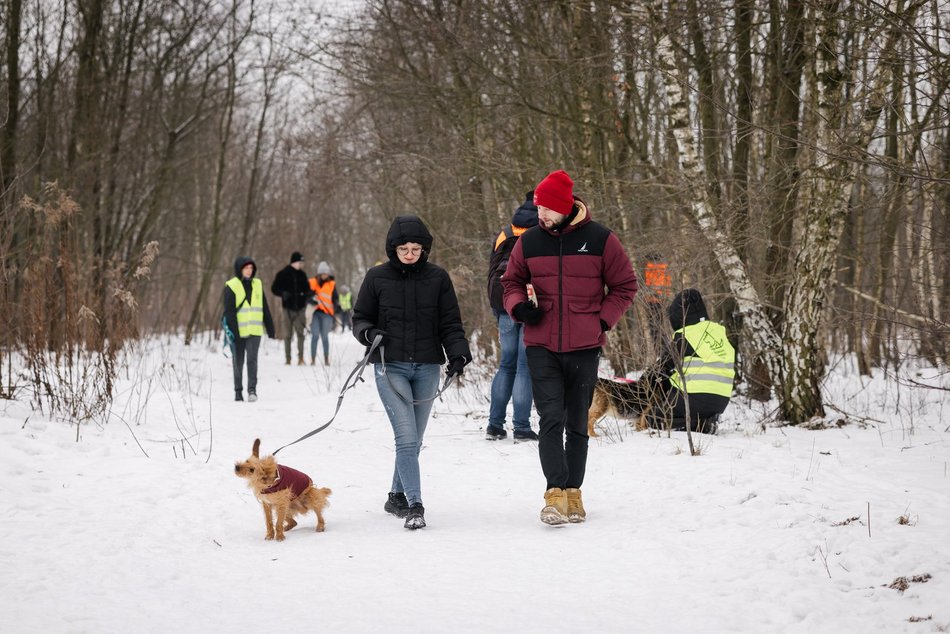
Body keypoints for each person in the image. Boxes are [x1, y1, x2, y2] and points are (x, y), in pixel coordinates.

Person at [502, 170, 637, 525]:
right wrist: (518, 307)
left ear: (566, 207)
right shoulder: (529, 241)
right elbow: (511, 282)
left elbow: (625, 286)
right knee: (550, 418)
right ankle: (554, 495)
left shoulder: (601, 239)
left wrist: (602, 321)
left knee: (577, 421)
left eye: (547, 208)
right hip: (540, 343)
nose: (541, 214)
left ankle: (574, 493)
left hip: (584, 345)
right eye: (538, 207)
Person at [352, 215, 472, 530]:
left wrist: (457, 354)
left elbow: (450, 322)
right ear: (393, 248)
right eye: (404, 248)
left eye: (416, 248)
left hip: (428, 366)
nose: (409, 254)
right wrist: (369, 334)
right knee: (406, 437)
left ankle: (395, 496)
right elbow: (360, 317)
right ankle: (415, 504)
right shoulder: (376, 277)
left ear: (424, 249)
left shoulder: (438, 278)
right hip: (389, 365)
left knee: (415, 440)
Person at [631, 288, 735, 434]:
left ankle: (696, 424)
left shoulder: (686, 335)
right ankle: (704, 420)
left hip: (694, 397)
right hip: (721, 400)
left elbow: (663, 367)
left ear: (679, 316)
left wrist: (641, 384)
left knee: (651, 417)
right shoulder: (718, 332)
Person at [486, 191, 538, 442]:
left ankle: (494, 425)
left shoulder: (505, 233)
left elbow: (492, 269)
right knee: (524, 367)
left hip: (503, 303)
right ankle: (522, 427)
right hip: (528, 304)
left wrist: (497, 307)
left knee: (506, 364)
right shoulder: (542, 233)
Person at [223, 256, 276, 402]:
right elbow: (229, 312)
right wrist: (235, 332)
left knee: (252, 361)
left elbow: (264, 307)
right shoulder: (231, 285)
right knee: (238, 362)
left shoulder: (257, 284)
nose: (249, 271)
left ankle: (252, 390)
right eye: (246, 268)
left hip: (255, 331)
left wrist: (270, 328)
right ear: (240, 269)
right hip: (237, 332)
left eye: (251, 268)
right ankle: (238, 391)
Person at [270, 251, 313, 365]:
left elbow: (307, 289)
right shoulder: (283, 274)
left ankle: (301, 358)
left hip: (300, 309)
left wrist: (309, 294)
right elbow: (274, 288)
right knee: (287, 335)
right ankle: (288, 358)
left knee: (300, 334)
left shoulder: (303, 275)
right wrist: (282, 293)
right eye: (300, 262)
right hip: (287, 309)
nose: (302, 265)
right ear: (294, 262)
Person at [308, 261, 339, 365]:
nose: (324, 275)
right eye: (322, 273)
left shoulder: (332, 284)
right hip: (315, 313)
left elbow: (335, 298)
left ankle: (326, 358)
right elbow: (307, 296)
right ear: (319, 274)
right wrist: (310, 300)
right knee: (315, 335)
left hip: (327, 314)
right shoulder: (313, 283)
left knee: (325, 336)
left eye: (326, 273)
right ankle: (313, 359)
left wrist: (336, 307)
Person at [643, 252, 673, 353]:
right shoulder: (665, 269)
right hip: (662, 300)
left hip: (653, 301)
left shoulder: (649, 268)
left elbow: (647, 285)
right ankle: (663, 349)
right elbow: (667, 285)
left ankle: (661, 350)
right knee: (661, 326)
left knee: (655, 328)